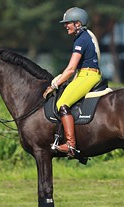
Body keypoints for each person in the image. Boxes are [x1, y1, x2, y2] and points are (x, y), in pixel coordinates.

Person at [43, 7, 102, 157]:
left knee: (61, 104)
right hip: (84, 74)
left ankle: (70, 144)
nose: (65, 26)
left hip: (88, 75)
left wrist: (53, 85)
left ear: (77, 23)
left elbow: (70, 69)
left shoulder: (81, 39)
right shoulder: (84, 36)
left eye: (68, 23)